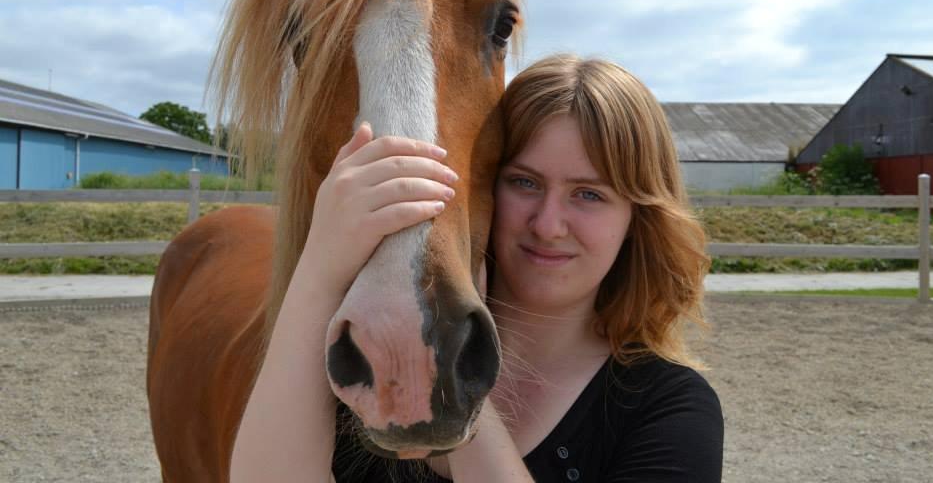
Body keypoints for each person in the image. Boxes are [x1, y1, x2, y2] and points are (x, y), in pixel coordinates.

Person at [231, 54, 724, 482]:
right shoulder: (374, 350)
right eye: (524, 183)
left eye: (589, 194)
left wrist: (451, 377)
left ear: (636, 220)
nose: (549, 225)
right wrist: (321, 264)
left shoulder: (671, 408)